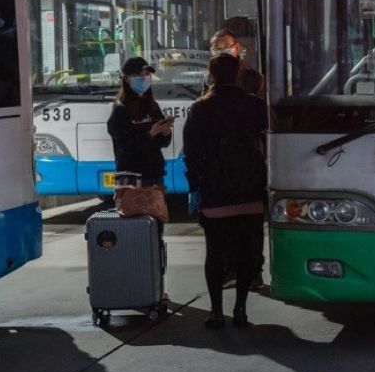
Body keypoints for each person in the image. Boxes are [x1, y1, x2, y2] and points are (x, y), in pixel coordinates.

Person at [183, 54, 268, 329]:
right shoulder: (255, 106)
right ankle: (241, 309)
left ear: (211, 75)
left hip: (215, 191)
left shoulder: (200, 108)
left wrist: (194, 188)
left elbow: (191, 154)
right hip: (249, 192)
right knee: (245, 252)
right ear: (238, 74)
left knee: (215, 253)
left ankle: (216, 312)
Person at [207, 25, 266, 289]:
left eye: (226, 47)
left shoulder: (254, 79)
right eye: (216, 48)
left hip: (248, 163)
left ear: (237, 48)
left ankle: (253, 271)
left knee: (251, 225)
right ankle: (231, 270)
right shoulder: (208, 82)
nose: (222, 51)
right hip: (220, 167)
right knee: (226, 225)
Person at [107, 57, 173, 207]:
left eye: (147, 74)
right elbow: (126, 145)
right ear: (127, 78)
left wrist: (165, 132)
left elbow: (162, 143)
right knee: (133, 219)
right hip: (131, 177)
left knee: (156, 218)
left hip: (154, 174)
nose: (145, 78)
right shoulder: (120, 109)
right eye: (139, 75)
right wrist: (150, 134)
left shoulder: (152, 105)